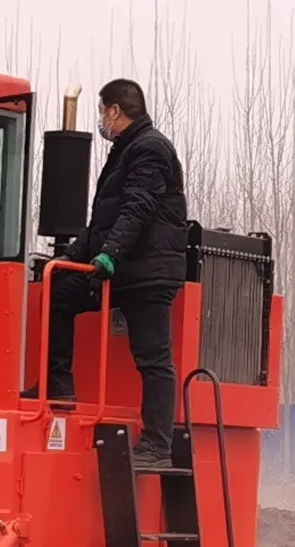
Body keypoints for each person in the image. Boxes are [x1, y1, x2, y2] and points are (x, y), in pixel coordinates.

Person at [46, 78, 191, 463]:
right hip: (123, 266)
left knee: (153, 356)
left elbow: (137, 210)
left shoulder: (150, 149)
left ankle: (158, 445)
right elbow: (102, 223)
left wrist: (109, 255)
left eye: (101, 111)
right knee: (58, 294)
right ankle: (60, 388)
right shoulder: (125, 152)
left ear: (114, 110)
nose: (100, 120)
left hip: (148, 272)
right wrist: (67, 260)